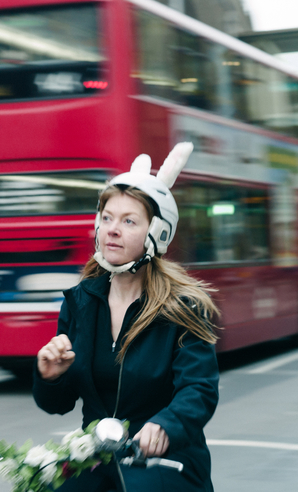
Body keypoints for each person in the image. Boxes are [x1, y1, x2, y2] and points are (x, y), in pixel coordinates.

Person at [33, 143, 221, 492]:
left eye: (128, 221)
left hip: (163, 466)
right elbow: (58, 405)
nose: (112, 230)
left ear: (158, 233)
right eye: (107, 218)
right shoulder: (81, 302)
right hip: (95, 463)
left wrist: (167, 424)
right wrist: (50, 376)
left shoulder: (183, 306)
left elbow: (200, 388)